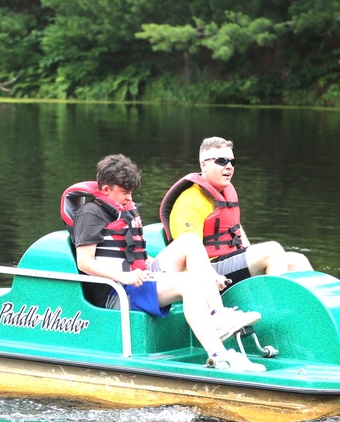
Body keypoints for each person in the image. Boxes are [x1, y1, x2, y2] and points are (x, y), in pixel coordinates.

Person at [64, 153, 265, 372]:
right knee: (188, 284)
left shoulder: (125, 209)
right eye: (124, 193)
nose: (129, 198)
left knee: (189, 241)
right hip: (118, 290)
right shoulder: (91, 214)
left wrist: (208, 274)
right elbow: (84, 263)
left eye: (131, 192)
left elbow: (134, 254)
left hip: (139, 277)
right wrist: (125, 277)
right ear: (105, 190)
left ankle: (217, 315)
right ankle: (219, 357)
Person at [160, 136, 313, 286]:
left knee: (298, 260)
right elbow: (189, 256)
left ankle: (313, 308)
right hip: (208, 269)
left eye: (232, 162)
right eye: (221, 161)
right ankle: (273, 308)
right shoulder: (190, 202)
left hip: (229, 261)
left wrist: (252, 257)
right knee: (272, 250)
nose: (229, 166)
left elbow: (235, 226)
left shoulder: (224, 192)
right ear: (203, 165)